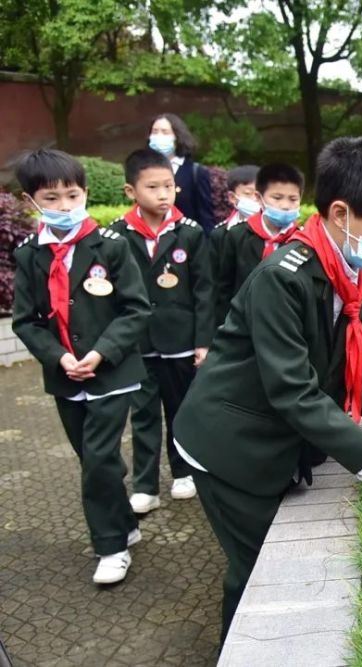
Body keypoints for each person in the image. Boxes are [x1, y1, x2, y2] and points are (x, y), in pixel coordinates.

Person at [172, 135, 362, 645]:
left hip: (272, 434)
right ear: (340, 213)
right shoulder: (283, 278)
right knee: (255, 570)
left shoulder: (352, 273)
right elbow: (295, 392)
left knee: (266, 560)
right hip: (230, 445)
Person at [12, 149, 150, 584]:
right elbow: (26, 321)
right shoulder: (30, 255)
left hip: (113, 374)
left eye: (72, 195)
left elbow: (135, 309)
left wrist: (101, 352)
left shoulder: (111, 246)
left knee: (97, 460)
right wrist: (60, 358)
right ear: (29, 200)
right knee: (92, 458)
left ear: (86, 193)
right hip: (65, 377)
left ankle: (109, 546)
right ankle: (125, 522)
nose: (65, 206)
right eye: (51, 199)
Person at [108, 148, 213, 513]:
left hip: (181, 341)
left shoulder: (191, 233)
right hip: (137, 343)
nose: (163, 194)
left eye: (168, 186)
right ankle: (146, 485)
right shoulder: (117, 236)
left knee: (181, 409)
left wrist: (203, 341)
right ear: (130, 191)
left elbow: (204, 289)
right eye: (153, 187)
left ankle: (184, 472)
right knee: (144, 414)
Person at [214, 163, 303, 326]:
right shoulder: (237, 235)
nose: (285, 205)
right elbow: (223, 287)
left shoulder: (302, 241)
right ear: (258, 197)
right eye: (277, 198)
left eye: (293, 199)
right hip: (242, 323)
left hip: (286, 324)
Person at [147, 113, 215, 234]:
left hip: (187, 242)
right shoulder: (145, 170)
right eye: (155, 131)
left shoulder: (195, 172)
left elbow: (206, 218)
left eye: (165, 132)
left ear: (177, 137)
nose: (158, 136)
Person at [210, 165, 259, 280]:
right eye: (248, 193)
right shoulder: (220, 234)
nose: (254, 199)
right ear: (232, 197)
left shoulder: (277, 230)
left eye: (258, 194)